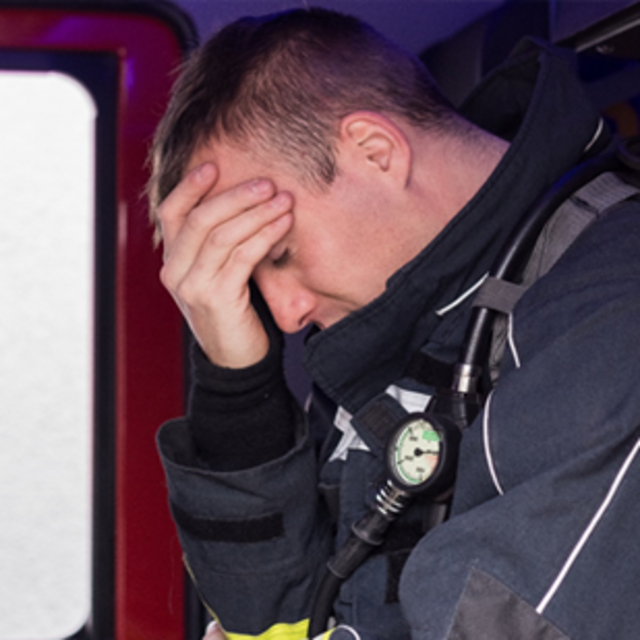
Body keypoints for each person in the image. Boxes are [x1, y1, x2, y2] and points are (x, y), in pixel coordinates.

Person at [150, 7, 640, 640]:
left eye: (281, 255)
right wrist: (235, 390)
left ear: (375, 152)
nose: (288, 316)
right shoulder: (392, 340)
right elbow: (278, 624)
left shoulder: (611, 307)